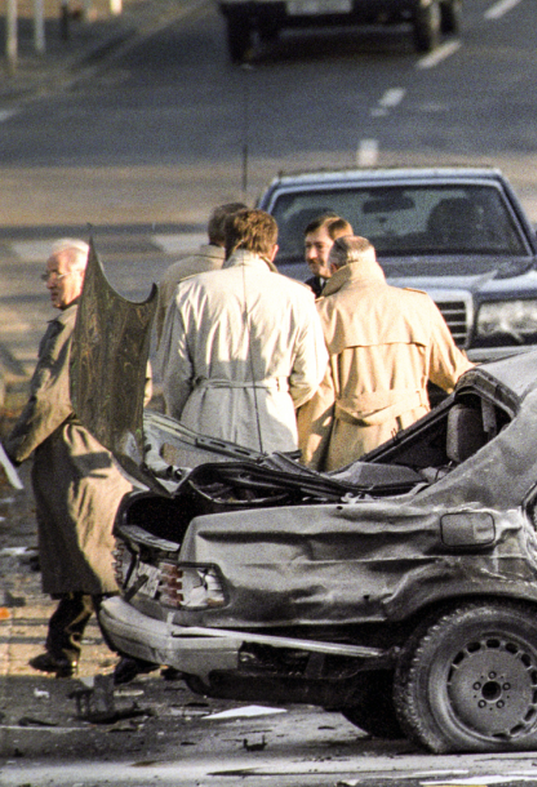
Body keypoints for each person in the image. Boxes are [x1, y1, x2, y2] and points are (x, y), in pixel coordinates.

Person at [2, 240, 133, 678]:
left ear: (83, 273)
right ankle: (63, 648)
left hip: (75, 458)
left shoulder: (72, 327)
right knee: (84, 559)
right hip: (95, 452)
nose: (49, 284)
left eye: (56, 274)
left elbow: (48, 401)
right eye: (47, 275)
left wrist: (11, 451)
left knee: (96, 566)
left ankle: (137, 650)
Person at [158, 209, 328, 454]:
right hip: (272, 416)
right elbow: (310, 374)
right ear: (272, 250)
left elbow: (175, 373)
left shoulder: (191, 291)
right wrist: (279, 398)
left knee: (208, 488)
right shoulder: (298, 296)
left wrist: (188, 411)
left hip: (206, 415)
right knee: (269, 490)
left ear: (227, 246)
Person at [297, 235, 473, 471]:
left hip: (351, 453)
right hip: (416, 442)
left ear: (334, 268)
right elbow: (456, 375)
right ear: (374, 264)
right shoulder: (418, 305)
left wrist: (306, 465)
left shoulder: (323, 313)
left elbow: (321, 401)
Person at [148, 201, 248, 413]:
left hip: (181, 397)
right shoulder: (244, 276)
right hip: (231, 400)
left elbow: (163, 342)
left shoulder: (174, 274)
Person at [303, 214, 352, 297]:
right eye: (308, 246)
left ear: (342, 248)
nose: (311, 255)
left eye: (320, 247)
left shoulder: (358, 289)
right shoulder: (305, 291)